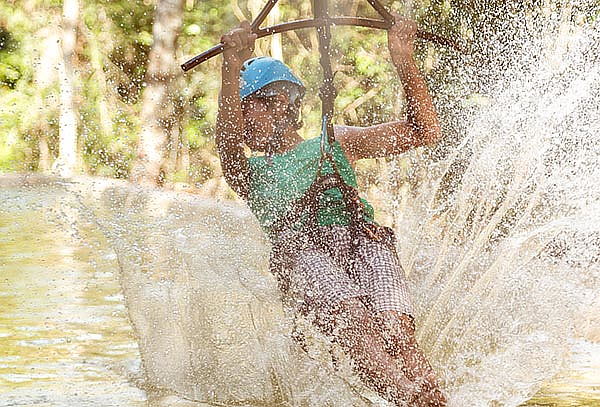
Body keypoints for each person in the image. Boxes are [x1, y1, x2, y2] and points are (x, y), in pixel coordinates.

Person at [216, 14, 446, 407]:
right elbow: (226, 143)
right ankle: (409, 398)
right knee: (354, 323)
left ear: (279, 103)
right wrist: (230, 65)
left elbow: (424, 132)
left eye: (243, 108)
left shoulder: (335, 140)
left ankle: (433, 398)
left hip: (364, 243)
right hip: (301, 257)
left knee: (396, 332)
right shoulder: (248, 173)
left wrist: (403, 57)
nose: (237, 121)